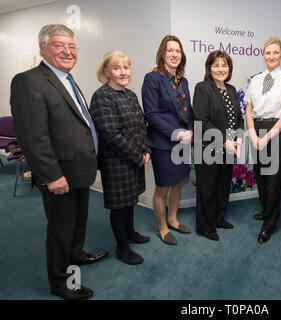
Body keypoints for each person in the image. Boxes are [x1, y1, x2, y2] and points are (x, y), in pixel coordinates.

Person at [10, 24, 108, 300]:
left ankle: (76, 254)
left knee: (78, 223)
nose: (67, 51)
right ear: (42, 48)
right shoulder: (28, 80)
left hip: (79, 169)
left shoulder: (67, 79)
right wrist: (51, 175)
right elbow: (33, 136)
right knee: (60, 229)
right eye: (58, 45)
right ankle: (60, 281)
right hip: (59, 173)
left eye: (72, 46)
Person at [90, 51, 151, 265]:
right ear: (107, 71)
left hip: (134, 159)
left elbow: (141, 126)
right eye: (117, 68)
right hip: (116, 162)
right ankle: (122, 248)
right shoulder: (102, 96)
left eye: (126, 67)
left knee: (131, 199)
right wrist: (137, 155)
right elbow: (109, 133)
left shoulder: (130, 95)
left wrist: (146, 150)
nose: (123, 72)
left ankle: (131, 232)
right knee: (119, 205)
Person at [244, 37, 281, 244]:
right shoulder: (256, 79)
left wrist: (266, 137)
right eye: (268, 52)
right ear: (263, 55)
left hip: (276, 130)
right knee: (260, 174)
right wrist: (251, 133)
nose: (272, 56)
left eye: (276, 52)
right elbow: (249, 109)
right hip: (255, 128)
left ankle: (269, 224)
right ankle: (266, 210)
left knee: (273, 179)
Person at [142, 35, 194, 245]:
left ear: (182, 56)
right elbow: (151, 114)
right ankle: (162, 227)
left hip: (182, 143)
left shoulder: (183, 81)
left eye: (178, 51)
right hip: (163, 143)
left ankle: (173, 219)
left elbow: (188, 110)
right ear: (162, 53)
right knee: (163, 187)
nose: (174, 54)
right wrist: (176, 133)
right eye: (170, 50)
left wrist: (189, 130)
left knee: (178, 184)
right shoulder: (153, 78)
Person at [192, 50, 244, 241]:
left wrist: (238, 137)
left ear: (229, 68)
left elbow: (238, 118)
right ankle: (205, 226)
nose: (221, 69)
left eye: (224, 65)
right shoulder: (203, 88)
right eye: (216, 65)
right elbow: (201, 120)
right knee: (207, 188)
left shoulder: (231, 89)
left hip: (229, 148)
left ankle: (219, 218)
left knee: (223, 185)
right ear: (209, 68)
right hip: (208, 148)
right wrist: (224, 141)